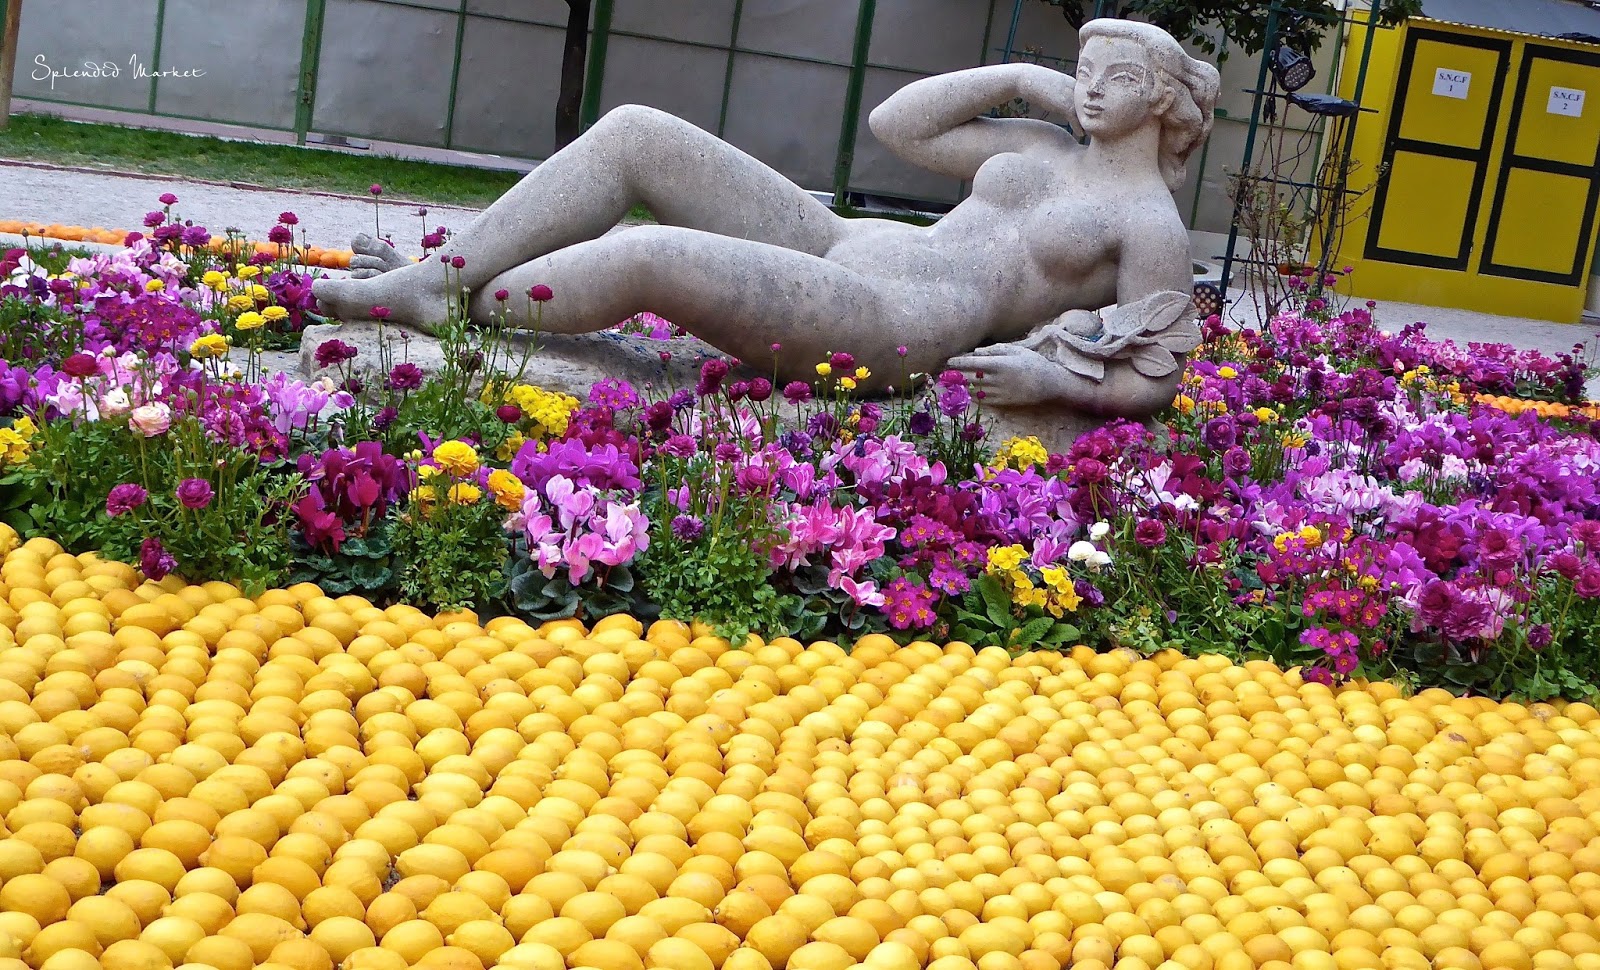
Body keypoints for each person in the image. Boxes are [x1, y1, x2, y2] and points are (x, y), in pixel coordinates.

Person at [312, 19, 1219, 415]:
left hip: (900, 322)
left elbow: (1156, 373)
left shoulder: (1149, 223)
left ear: (1163, 103)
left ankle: (436, 296)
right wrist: (1020, 78)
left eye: (1119, 79)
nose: (1092, 90)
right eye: (1085, 72)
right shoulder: (1042, 143)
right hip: (847, 243)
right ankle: (440, 280)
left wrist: (1051, 382)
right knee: (637, 132)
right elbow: (898, 126)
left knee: (651, 254)